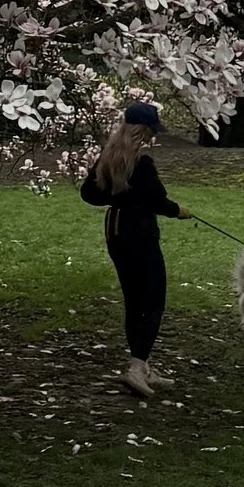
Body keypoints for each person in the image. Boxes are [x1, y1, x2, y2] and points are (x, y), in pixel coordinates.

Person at [81, 97, 185, 398]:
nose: (154, 137)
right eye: (151, 131)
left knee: (133, 300)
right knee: (153, 299)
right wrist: (177, 210)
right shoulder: (142, 162)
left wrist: (119, 198)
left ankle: (143, 364)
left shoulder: (108, 156)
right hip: (139, 233)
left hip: (114, 230)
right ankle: (137, 367)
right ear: (142, 131)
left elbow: (89, 194)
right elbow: (157, 199)